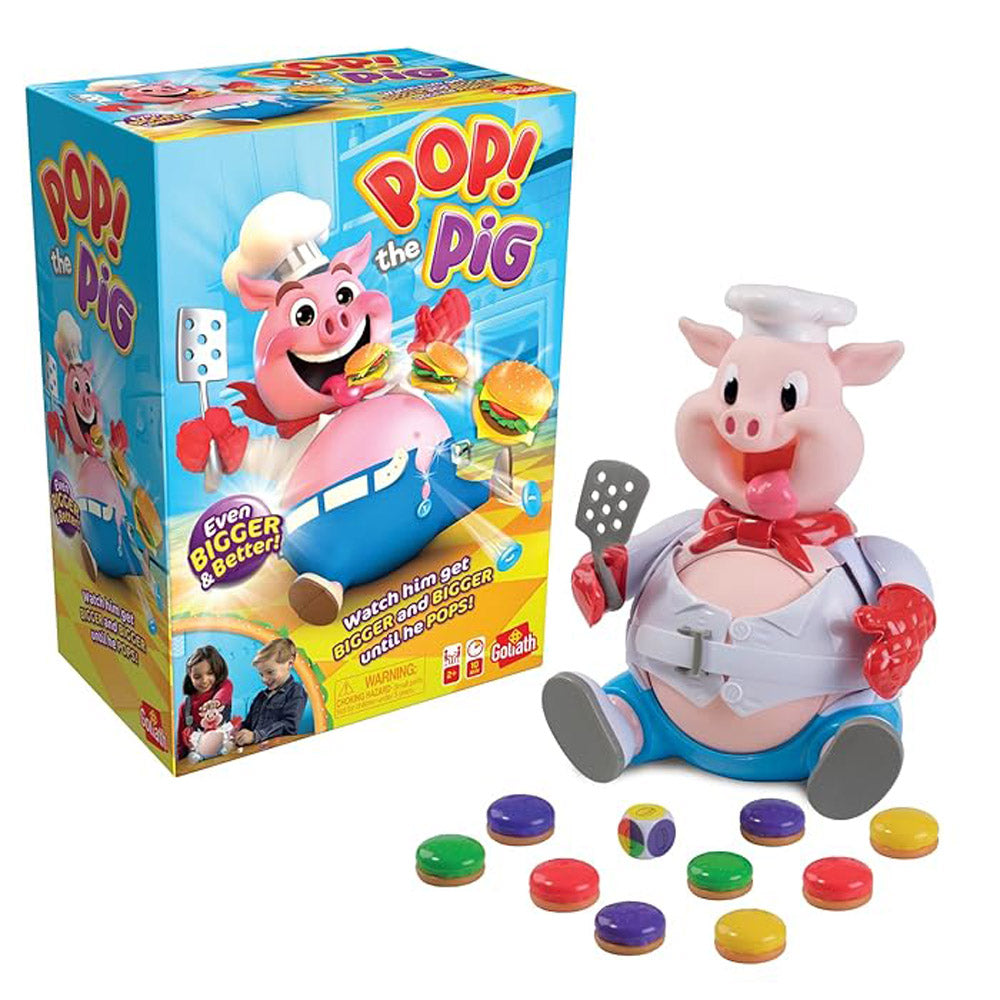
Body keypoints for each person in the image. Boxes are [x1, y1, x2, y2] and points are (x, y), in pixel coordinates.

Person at [234, 638, 306, 746]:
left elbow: (289, 725)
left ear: (289, 664)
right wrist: (237, 731)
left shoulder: (296, 691)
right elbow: (248, 724)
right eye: (261, 674)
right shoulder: (261, 696)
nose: (264, 679)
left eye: (270, 672)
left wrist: (256, 736)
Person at [176, 645, 233, 760]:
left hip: (223, 750)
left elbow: (225, 690)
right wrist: (179, 758)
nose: (204, 680)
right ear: (190, 677)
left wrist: (215, 702)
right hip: (198, 756)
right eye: (197, 677)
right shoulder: (185, 706)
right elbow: (181, 741)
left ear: (218, 671)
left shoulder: (223, 687)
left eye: (210, 673)